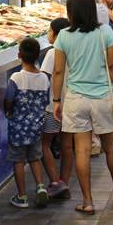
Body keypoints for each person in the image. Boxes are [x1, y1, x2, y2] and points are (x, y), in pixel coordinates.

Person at [52, 0, 113, 215]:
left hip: (75, 99)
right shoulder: (104, 32)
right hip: (102, 98)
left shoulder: (63, 36)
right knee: (111, 149)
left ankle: (88, 201)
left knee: (82, 150)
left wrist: (56, 100)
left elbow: (58, 71)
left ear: (70, 12)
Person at [5, 38, 50, 208]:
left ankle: (22, 196)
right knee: (35, 158)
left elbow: (9, 99)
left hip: (18, 128)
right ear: (38, 55)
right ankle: (40, 187)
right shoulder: (44, 78)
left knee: (18, 161)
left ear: (19, 55)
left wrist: (8, 111)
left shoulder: (16, 77)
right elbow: (45, 100)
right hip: (36, 127)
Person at [39, 18, 73, 200]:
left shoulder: (53, 53)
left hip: (53, 106)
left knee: (44, 144)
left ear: (57, 34)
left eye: (49, 31)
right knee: (67, 145)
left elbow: (44, 78)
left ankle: (55, 181)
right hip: (71, 105)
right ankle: (64, 183)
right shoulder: (73, 50)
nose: (48, 34)